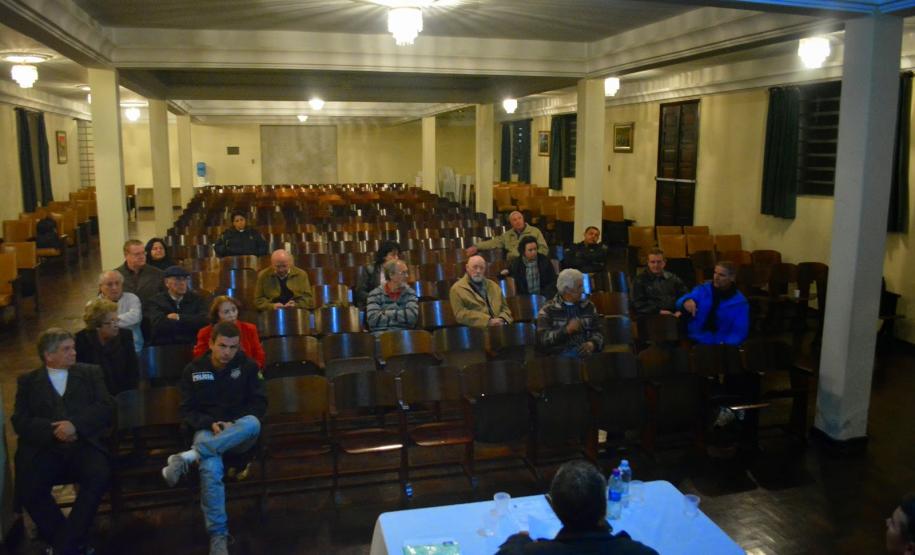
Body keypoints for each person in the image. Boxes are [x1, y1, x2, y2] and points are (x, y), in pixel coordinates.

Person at [161, 322, 266, 555]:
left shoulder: (248, 367)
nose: (227, 352)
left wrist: (232, 423)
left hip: (239, 433)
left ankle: (188, 457)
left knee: (253, 423)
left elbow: (259, 405)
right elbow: (187, 411)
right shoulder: (193, 370)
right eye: (222, 346)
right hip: (208, 430)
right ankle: (218, 535)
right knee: (210, 468)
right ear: (210, 343)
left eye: (233, 347)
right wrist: (210, 423)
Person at [12, 328, 114, 555]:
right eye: (66, 349)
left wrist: (75, 425)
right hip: (46, 449)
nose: (73, 353)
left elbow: (106, 407)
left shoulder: (90, 373)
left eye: (73, 348)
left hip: (83, 444)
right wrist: (54, 431)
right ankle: (72, 542)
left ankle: (63, 545)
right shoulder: (28, 382)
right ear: (48, 355)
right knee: (29, 486)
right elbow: (20, 421)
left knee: (98, 474)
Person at [497, 460, 658, 554]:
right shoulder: (639, 552)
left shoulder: (535, 551)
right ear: (603, 507)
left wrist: (519, 539)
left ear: (555, 509)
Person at [675, 261, 749, 345]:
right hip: (695, 337)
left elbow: (739, 331)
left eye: (721, 275)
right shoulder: (704, 289)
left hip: (721, 342)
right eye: (715, 273)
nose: (716, 277)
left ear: (732, 278)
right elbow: (679, 302)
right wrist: (686, 301)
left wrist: (725, 344)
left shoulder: (740, 302)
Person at [75, 298, 140, 394]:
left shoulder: (125, 336)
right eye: (111, 321)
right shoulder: (81, 340)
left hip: (122, 393)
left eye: (117, 320)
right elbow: (82, 378)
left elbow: (133, 372)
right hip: (94, 395)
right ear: (97, 325)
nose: (116, 325)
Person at [536, 269, 605, 357]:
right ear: (567, 290)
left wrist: (592, 344)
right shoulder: (548, 309)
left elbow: (599, 333)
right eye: (579, 287)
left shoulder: (588, 306)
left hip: (587, 356)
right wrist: (566, 330)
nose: (583, 290)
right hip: (558, 358)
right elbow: (542, 340)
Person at [194, 295, 266, 369]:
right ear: (217, 315)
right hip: (215, 371)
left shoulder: (249, 329)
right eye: (226, 312)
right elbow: (200, 357)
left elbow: (259, 354)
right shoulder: (205, 332)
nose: (232, 315)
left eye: (234, 310)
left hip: (245, 370)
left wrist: (253, 369)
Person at [145, 265, 209, 346]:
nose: (182, 283)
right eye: (178, 279)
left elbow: (204, 321)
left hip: (191, 345)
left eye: (185, 279)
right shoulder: (156, 301)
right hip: (164, 346)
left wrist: (179, 317)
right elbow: (158, 325)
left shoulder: (197, 299)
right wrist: (190, 322)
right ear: (166, 282)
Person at [449, 255, 513, 327]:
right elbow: (460, 315)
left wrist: (502, 319)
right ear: (467, 268)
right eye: (475, 267)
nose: (478, 271)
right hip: (475, 330)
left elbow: (505, 309)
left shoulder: (494, 286)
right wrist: (487, 321)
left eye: (481, 268)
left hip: (500, 327)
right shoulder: (457, 289)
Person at [466, 211, 548, 263]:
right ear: (511, 223)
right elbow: (493, 242)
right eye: (514, 220)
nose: (518, 221)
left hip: (532, 262)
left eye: (519, 218)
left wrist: (533, 258)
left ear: (523, 219)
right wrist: (477, 247)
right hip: (514, 264)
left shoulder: (535, 231)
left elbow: (544, 249)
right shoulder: (507, 235)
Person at [365, 259, 419, 334]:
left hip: (404, 335)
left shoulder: (410, 293)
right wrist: (400, 317)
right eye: (403, 273)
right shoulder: (374, 294)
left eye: (407, 272)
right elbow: (372, 320)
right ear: (391, 275)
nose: (407, 276)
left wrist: (385, 312)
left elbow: (412, 317)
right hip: (381, 336)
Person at [632, 248, 688, 316]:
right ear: (648, 263)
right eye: (652, 262)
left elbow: (684, 295)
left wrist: (681, 310)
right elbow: (638, 304)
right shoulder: (639, 280)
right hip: (651, 316)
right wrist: (659, 311)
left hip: (674, 314)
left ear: (664, 262)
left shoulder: (672, 278)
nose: (656, 265)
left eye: (659, 262)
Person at [97, 270, 143, 352]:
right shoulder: (95, 304)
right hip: (105, 349)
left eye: (117, 283)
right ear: (101, 287)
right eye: (109, 284)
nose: (114, 287)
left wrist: (108, 322)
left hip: (134, 347)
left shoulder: (132, 298)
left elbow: (135, 317)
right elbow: (96, 325)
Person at [116, 239, 164, 305]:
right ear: (126, 255)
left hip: (150, 310)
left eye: (143, 253)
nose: (142, 257)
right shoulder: (116, 275)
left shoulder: (158, 274)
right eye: (137, 254)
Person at [355, 240, 400, 309]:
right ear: (384, 256)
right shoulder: (370, 269)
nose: (396, 258)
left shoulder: (398, 270)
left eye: (397, 255)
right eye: (393, 255)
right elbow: (360, 292)